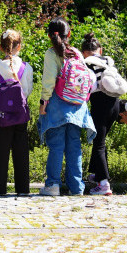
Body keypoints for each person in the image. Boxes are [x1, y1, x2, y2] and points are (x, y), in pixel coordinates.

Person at [37, 18, 96, 196]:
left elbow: (48, 81)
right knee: (74, 147)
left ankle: (53, 185)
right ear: (69, 34)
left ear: (49, 36)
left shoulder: (51, 54)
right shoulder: (76, 52)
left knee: (56, 146)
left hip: (57, 106)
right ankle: (76, 187)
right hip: (78, 106)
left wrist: (43, 103)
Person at [0, 29, 32, 195]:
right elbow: (26, 91)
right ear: (19, 47)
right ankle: (23, 188)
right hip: (20, 114)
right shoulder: (26, 68)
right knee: (21, 150)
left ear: (0, 47)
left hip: (2, 114)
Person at [81, 32, 122, 196]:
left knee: (98, 143)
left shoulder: (85, 62)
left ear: (83, 52)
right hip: (116, 103)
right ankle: (98, 175)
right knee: (101, 142)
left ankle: (104, 184)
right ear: (100, 49)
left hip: (100, 104)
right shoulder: (108, 60)